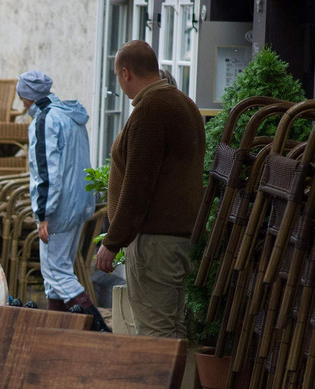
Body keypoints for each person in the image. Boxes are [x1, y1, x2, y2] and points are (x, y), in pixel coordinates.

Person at [96, 41, 204, 339]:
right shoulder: (185, 104)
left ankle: (160, 387)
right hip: (180, 238)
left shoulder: (150, 111)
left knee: (155, 334)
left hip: (156, 243)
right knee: (174, 330)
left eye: (118, 77)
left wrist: (113, 241)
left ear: (126, 73)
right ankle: (177, 387)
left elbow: (138, 185)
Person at [16, 70, 107, 330]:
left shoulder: (45, 120)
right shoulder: (69, 115)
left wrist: (42, 213)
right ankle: (54, 331)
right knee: (55, 275)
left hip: (59, 209)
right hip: (79, 203)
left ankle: (98, 328)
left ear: (26, 96)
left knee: (57, 273)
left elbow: (45, 171)